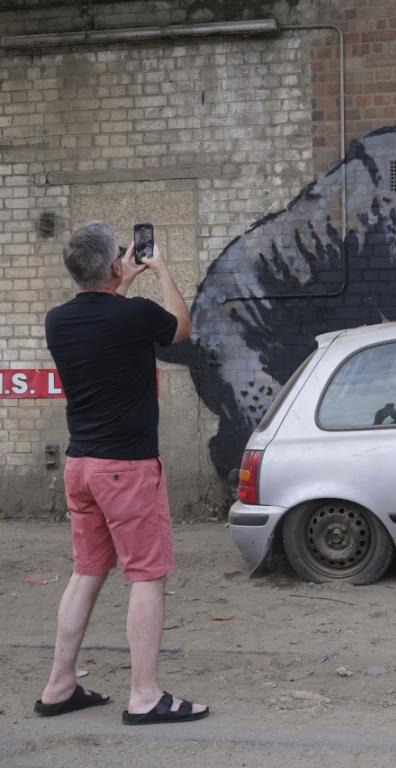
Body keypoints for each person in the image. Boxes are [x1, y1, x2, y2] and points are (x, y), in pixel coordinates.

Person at [35, 221, 209, 725]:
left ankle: (59, 686)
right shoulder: (134, 315)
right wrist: (160, 269)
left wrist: (120, 280)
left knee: (86, 573)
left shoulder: (57, 321)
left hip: (82, 467)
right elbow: (180, 327)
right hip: (127, 470)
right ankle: (144, 695)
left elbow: (102, 311)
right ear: (116, 264)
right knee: (148, 577)